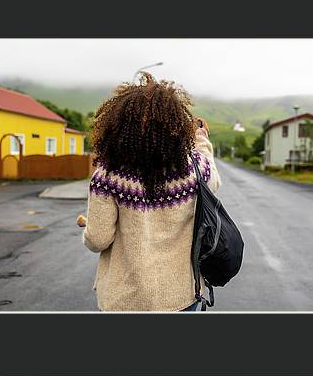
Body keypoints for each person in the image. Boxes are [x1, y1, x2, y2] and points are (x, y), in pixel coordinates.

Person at [81, 72, 221, 311]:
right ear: (175, 126)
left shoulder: (108, 175)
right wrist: (201, 140)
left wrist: (88, 227)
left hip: (124, 300)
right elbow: (214, 180)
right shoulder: (195, 168)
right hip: (181, 297)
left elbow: (98, 240)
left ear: (118, 126)